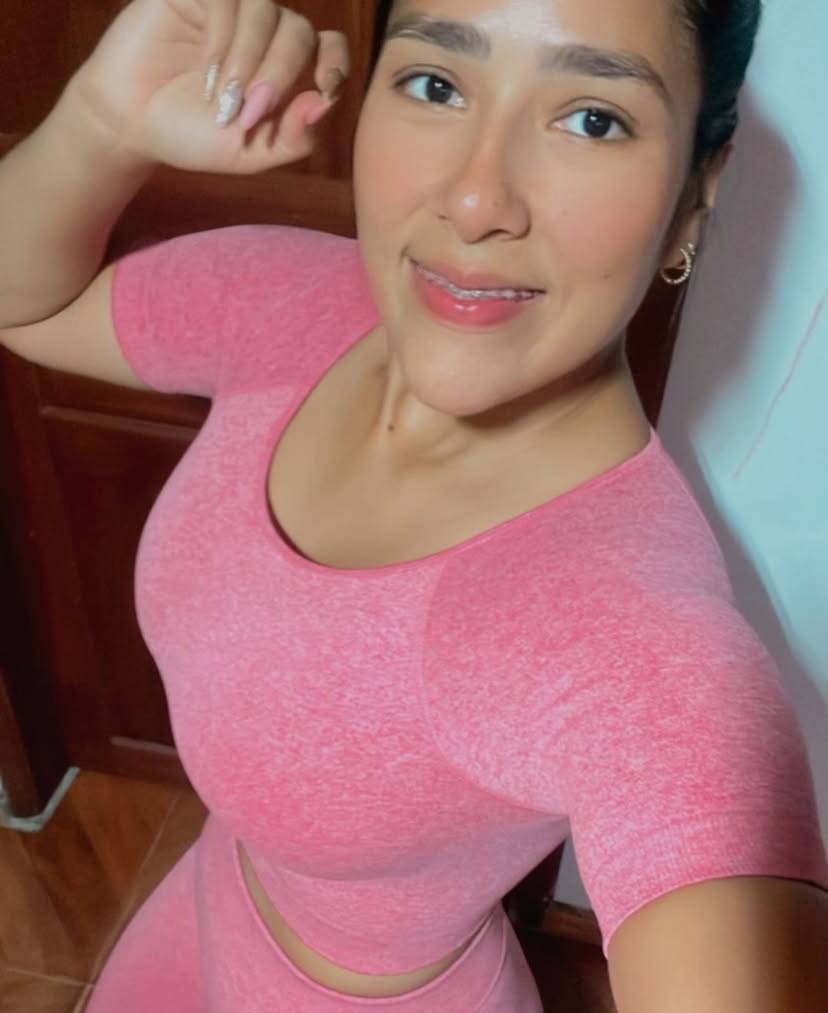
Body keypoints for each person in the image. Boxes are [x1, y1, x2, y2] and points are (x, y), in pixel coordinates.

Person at [1, 0, 826, 1010]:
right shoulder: (299, 302)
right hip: (207, 903)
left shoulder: (624, 631)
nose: (476, 199)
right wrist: (99, 123)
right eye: (436, 84)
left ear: (696, 194)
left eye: (593, 118)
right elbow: (26, 303)